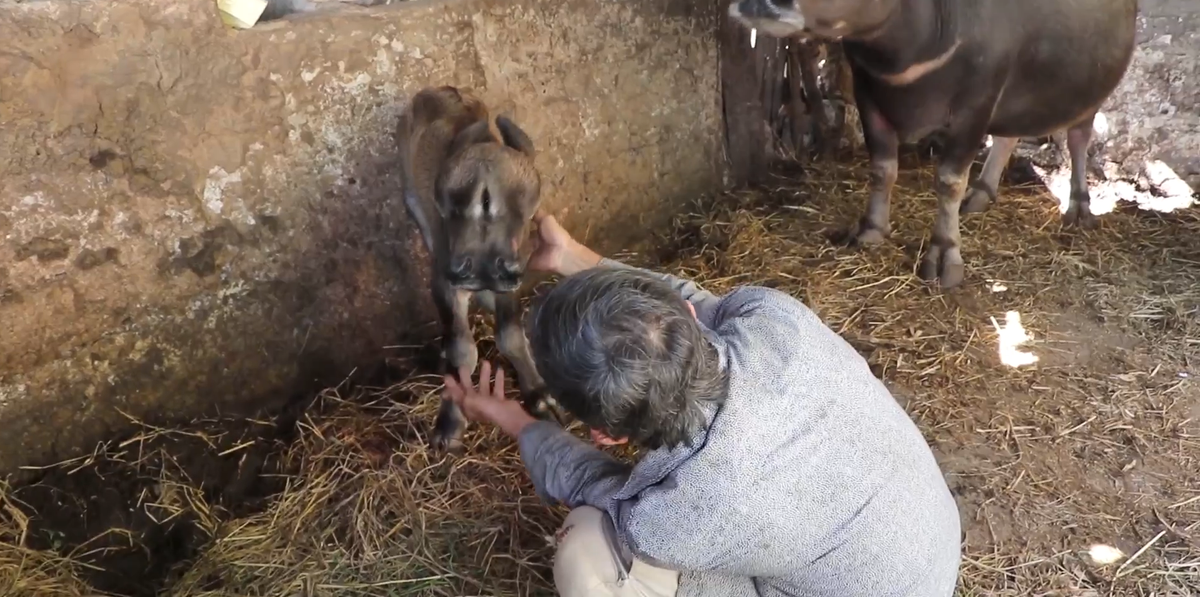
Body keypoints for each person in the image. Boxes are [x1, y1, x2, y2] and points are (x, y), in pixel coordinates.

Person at [441, 211, 963, 597]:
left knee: (585, 552)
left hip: (865, 576)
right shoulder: (775, 320)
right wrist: (573, 255)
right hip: (925, 546)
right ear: (689, 318)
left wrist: (514, 419)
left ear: (606, 436)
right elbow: (677, 298)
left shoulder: (678, 516)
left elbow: (595, 485)